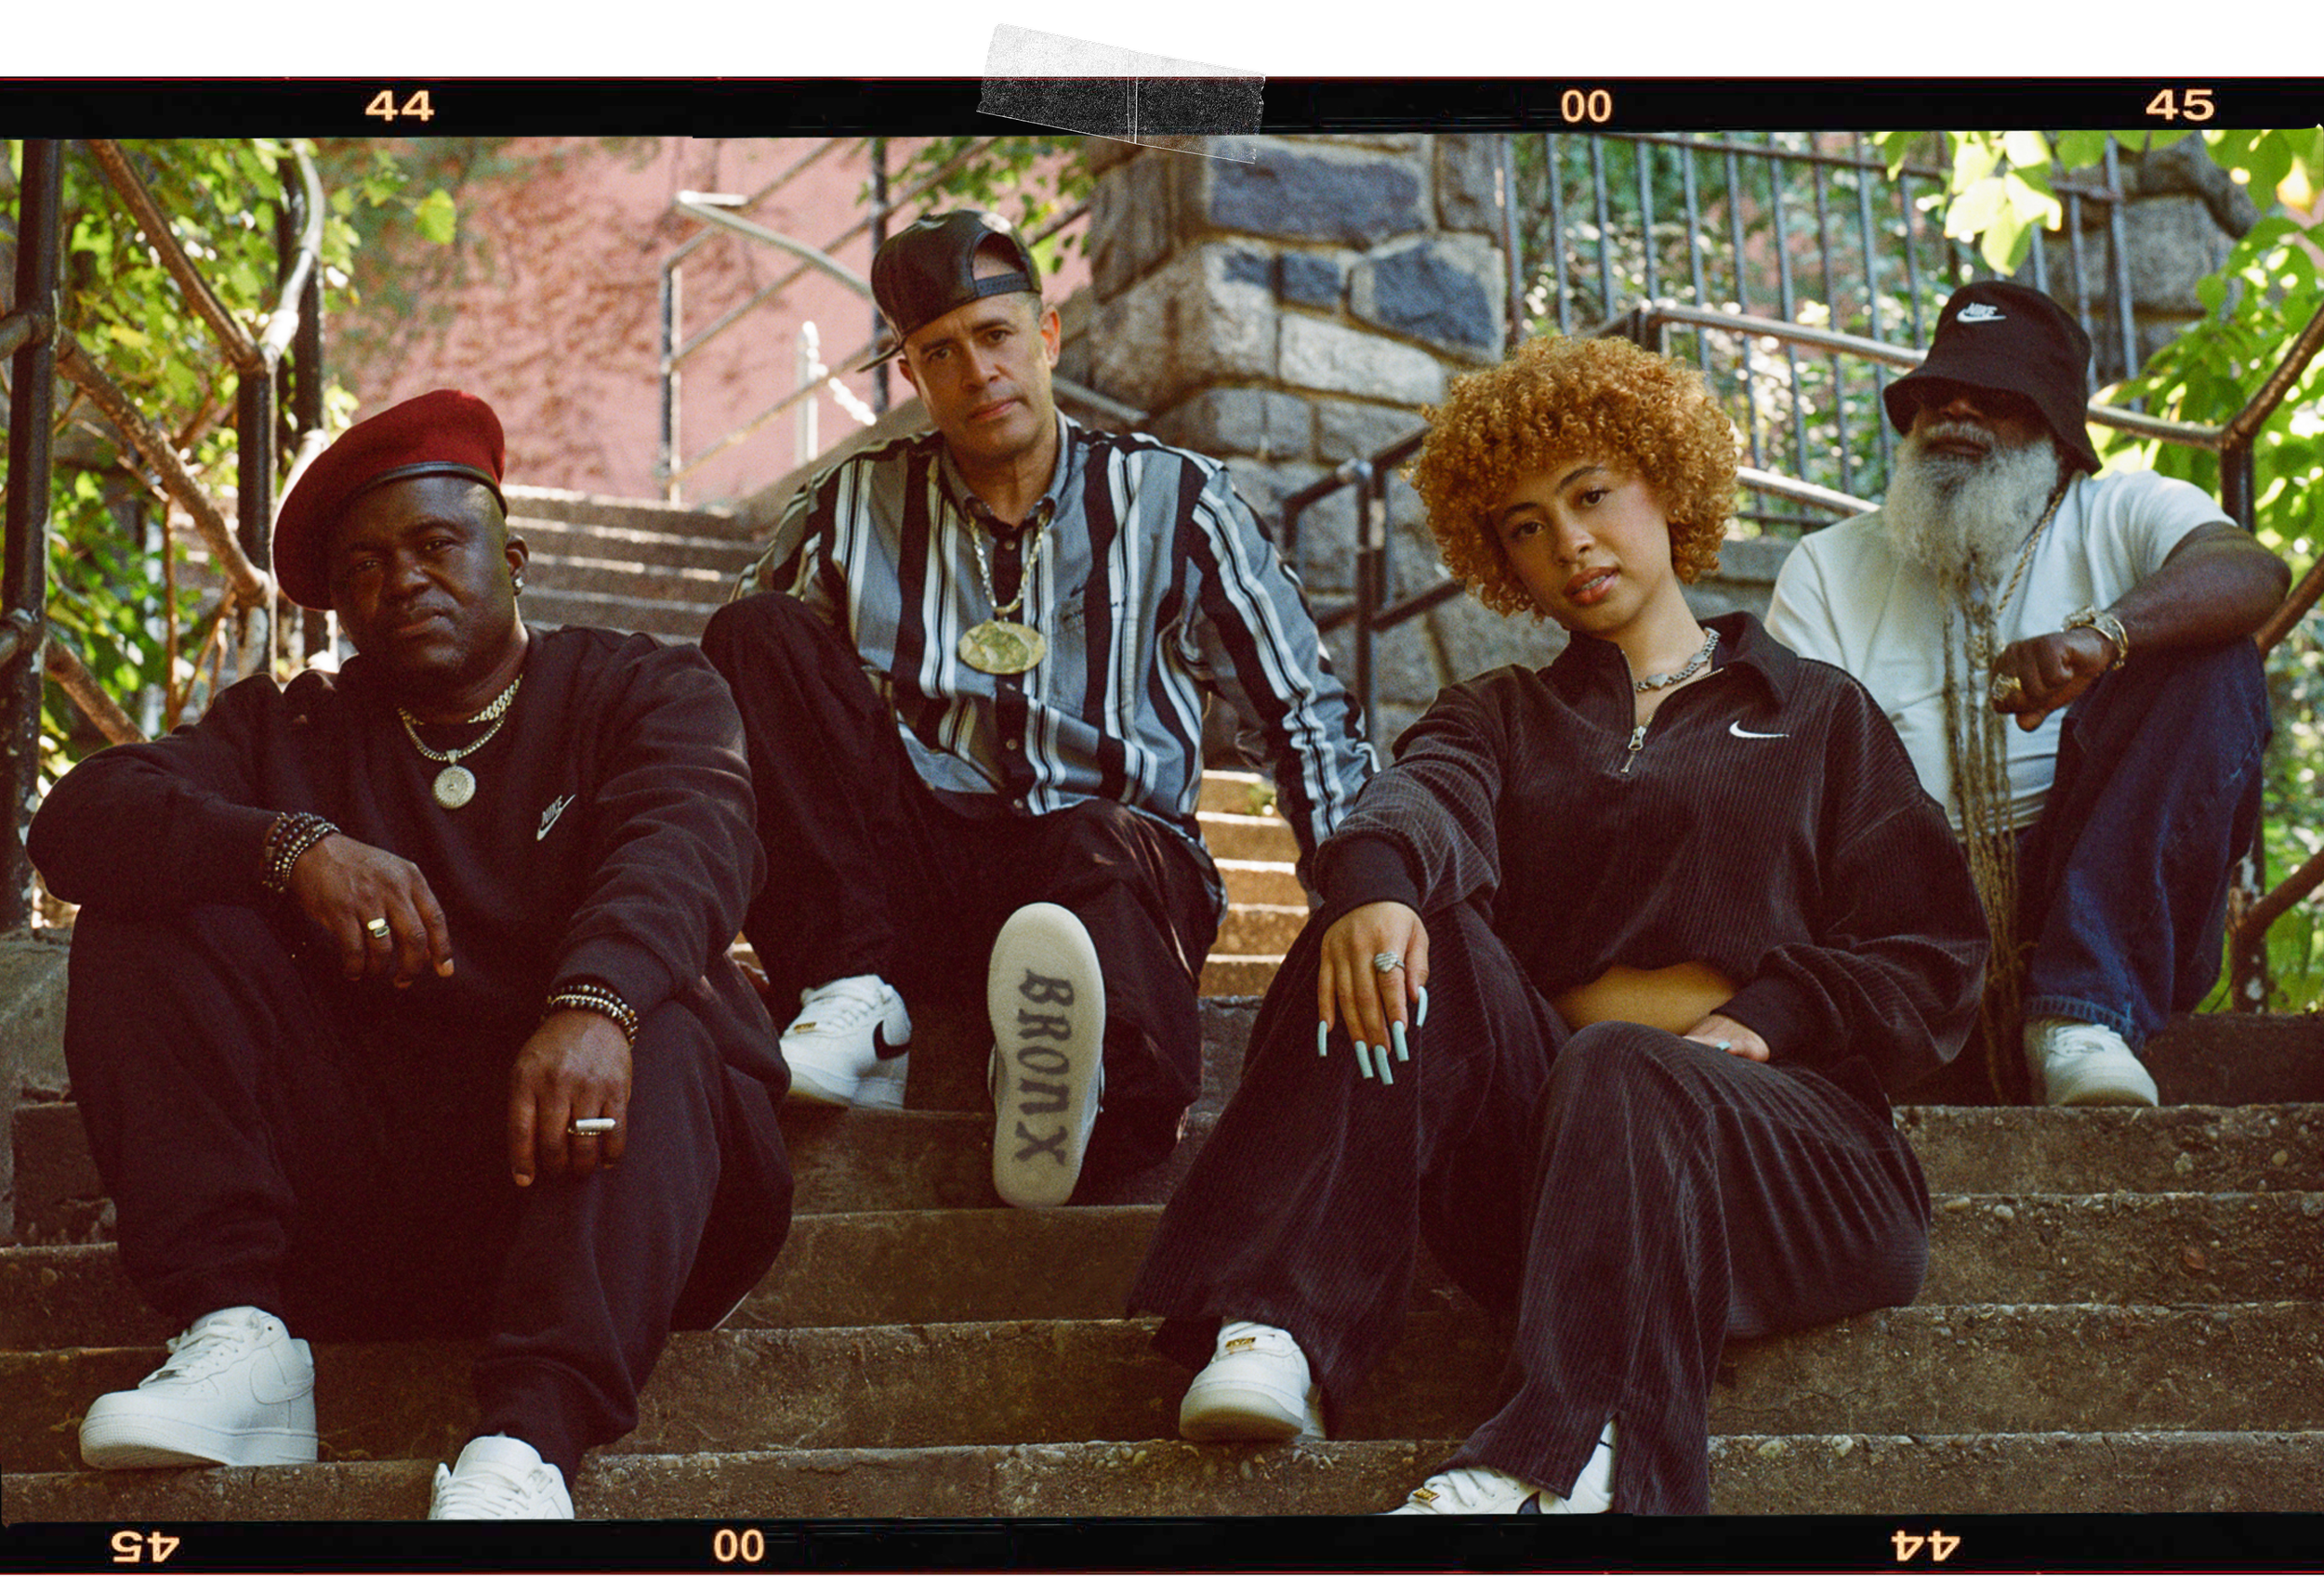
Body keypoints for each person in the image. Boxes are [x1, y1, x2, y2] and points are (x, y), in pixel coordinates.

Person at [1126, 336, 1987, 1514]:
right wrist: (1373, 881)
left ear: (1664, 487)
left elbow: (1929, 951)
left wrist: (1770, 1016)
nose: (1569, 542)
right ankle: (1275, 1321)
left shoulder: (1815, 712)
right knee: (1392, 921)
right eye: (1526, 525)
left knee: (1624, 1063)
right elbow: (1420, 794)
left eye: (1591, 496)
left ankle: (1564, 1459)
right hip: (1552, 1170)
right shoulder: (1500, 715)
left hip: (1789, 1158)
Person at [29, 390, 792, 1520]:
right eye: (367, 565)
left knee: (663, 1015)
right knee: (147, 900)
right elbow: (79, 819)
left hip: (613, 1197)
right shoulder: (292, 730)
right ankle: (240, 1337)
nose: (405, 580)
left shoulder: (642, 688)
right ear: (341, 604)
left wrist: (596, 1001)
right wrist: (288, 846)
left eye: (438, 544)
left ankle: (528, 1446)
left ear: (513, 557)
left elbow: (691, 838)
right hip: (375, 1219)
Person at [703, 210, 1371, 1208]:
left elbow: (1303, 712)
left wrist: (1362, 896)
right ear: (911, 375)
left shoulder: (1176, 499)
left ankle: (1077, 1085)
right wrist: (687, 931)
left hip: (1112, 869)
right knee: (754, 634)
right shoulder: (850, 505)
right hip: (919, 879)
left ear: (1047, 337)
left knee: (1097, 842)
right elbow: (727, 718)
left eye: (996, 335)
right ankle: (858, 1003)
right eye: (941, 352)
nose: (978, 372)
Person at [1767, 282, 2289, 1107]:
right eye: (1938, 393)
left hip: (2108, 883)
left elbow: (2252, 572)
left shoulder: (2123, 510)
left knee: (2216, 659)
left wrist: (2104, 637)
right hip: (1906, 908)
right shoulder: (1829, 565)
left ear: (2056, 430)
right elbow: (1791, 777)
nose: (1956, 411)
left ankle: (2084, 1018)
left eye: (1996, 395)